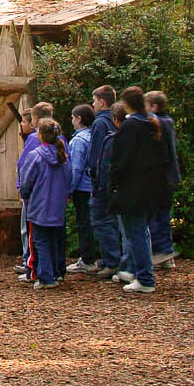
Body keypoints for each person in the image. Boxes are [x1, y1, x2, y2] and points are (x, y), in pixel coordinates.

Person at [107, 86, 172, 294]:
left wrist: (114, 181)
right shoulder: (152, 124)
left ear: (127, 104)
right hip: (150, 188)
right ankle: (141, 272)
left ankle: (144, 277)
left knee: (135, 233)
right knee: (141, 232)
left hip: (133, 189)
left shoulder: (132, 126)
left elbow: (121, 159)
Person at [19, 118, 71, 289]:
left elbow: (26, 182)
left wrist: (26, 197)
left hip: (39, 206)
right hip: (58, 206)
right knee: (55, 240)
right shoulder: (63, 157)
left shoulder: (35, 156)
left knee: (40, 241)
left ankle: (46, 277)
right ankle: (56, 272)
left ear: (40, 135)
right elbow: (69, 179)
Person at [85, 85, 125, 276]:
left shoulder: (100, 123)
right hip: (113, 179)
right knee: (112, 221)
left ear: (102, 102)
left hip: (102, 181)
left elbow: (97, 154)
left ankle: (111, 261)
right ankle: (111, 258)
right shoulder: (114, 121)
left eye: (94, 101)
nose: (92, 105)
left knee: (101, 220)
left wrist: (92, 174)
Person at [15, 101, 53, 280]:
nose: (21, 125)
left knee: (30, 232)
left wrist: (22, 188)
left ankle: (31, 266)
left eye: (23, 122)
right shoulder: (60, 140)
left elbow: (25, 167)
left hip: (34, 195)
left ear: (33, 122)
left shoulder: (33, 141)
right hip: (52, 195)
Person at [145, 90, 181, 270]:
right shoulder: (168, 122)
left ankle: (161, 252)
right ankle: (165, 253)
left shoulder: (158, 123)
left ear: (154, 107)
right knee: (163, 215)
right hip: (167, 176)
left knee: (155, 214)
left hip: (160, 177)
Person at [66, 103, 97, 273]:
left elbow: (75, 168)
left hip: (82, 188)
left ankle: (87, 260)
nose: (71, 120)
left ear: (78, 118)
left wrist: (69, 189)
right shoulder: (93, 135)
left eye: (72, 117)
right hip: (92, 186)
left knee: (84, 223)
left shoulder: (78, 140)